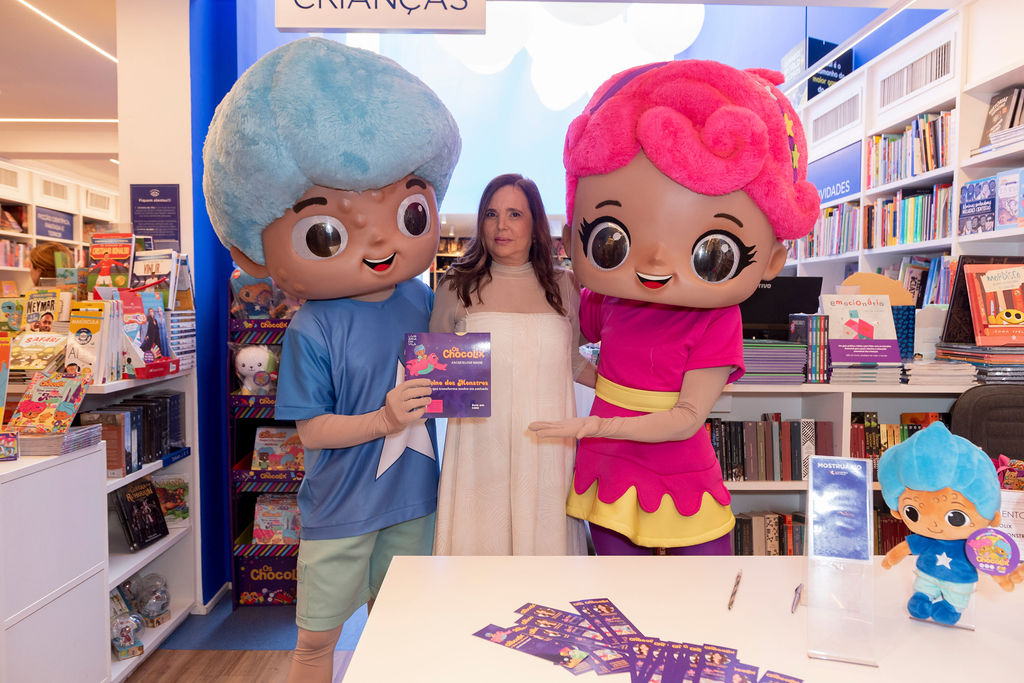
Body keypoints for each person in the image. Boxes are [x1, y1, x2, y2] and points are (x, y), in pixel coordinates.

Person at [202, 37, 460, 682]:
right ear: (254, 252)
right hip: (340, 510)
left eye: (407, 211)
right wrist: (384, 420)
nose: (380, 241)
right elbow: (312, 431)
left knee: (405, 634)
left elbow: (447, 375)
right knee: (316, 643)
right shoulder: (313, 326)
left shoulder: (421, 300)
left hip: (415, 501)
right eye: (328, 233)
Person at [530, 60, 820, 556]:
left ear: (773, 259)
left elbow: (686, 417)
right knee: (617, 588)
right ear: (572, 236)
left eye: (714, 250)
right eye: (610, 239)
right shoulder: (611, 301)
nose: (655, 266)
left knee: (702, 582)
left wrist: (595, 424)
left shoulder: (715, 317)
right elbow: (567, 332)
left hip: (677, 470)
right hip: (607, 468)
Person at [430, 173, 590, 556]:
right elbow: (435, 374)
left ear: (535, 224)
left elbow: (572, 363)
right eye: (491, 214)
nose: (501, 225)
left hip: (547, 450)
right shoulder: (456, 284)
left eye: (515, 214)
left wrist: (634, 397)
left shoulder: (565, 286)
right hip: (479, 453)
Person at [878, 422, 1024, 624]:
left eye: (956, 516)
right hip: (927, 574)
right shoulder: (927, 539)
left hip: (959, 581)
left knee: (954, 601)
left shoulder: (976, 544)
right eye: (912, 512)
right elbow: (907, 547)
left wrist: (1003, 577)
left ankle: (952, 607)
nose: (934, 524)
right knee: (922, 591)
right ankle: (922, 597)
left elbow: (989, 561)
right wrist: (891, 558)